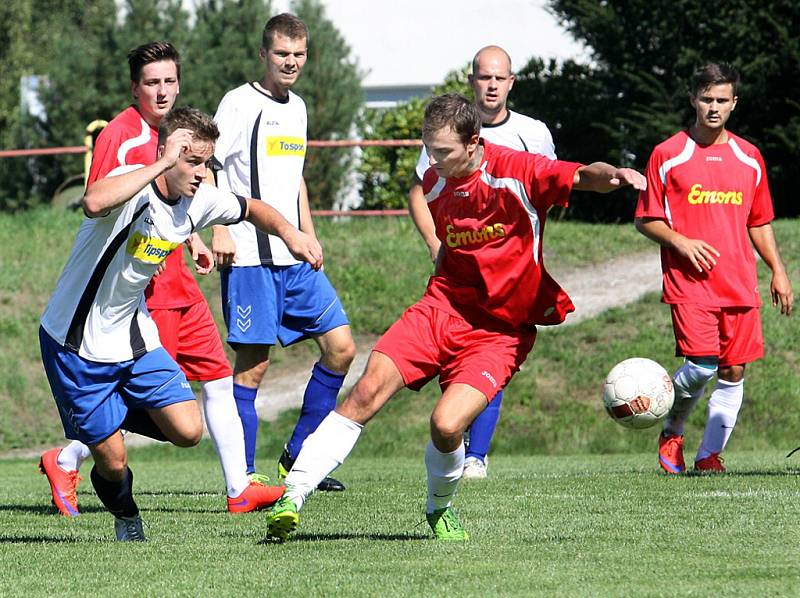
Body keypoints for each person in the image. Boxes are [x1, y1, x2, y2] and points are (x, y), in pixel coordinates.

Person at [265, 93, 646, 541]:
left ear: (473, 142)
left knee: (446, 426)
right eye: (429, 148)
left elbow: (582, 175)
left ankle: (438, 509)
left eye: (443, 151)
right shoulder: (434, 181)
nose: (433, 160)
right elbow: (442, 230)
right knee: (366, 390)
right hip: (442, 308)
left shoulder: (517, 171)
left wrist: (616, 176)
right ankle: (292, 495)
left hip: (501, 330)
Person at [40, 106, 322, 541]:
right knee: (113, 464)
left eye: (205, 162)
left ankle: (107, 417)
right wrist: (161, 161)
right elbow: (92, 201)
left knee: (189, 430)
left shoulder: (198, 200)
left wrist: (290, 233)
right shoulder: (133, 189)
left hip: (134, 338)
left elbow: (253, 208)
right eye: (191, 161)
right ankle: (127, 516)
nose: (200, 172)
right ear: (167, 154)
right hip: (75, 344)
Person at [210, 13, 354, 492]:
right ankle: (244, 479)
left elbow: (296, 179)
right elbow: (207, 165)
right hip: (250, 255)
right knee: (253, 368)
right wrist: (219, 229)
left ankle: (298, 458)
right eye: (281, 53)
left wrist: (308, 233)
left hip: (294, 257)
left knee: (341, 348)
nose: (290, 62)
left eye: (298, 54)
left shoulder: (299, 108)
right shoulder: (238, 103)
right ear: (263, 55)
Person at [635, 63, 793, 474]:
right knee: (702, 364)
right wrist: (680, 242)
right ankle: (672, 431)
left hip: (739, 282)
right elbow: (646, 218)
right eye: (707, 99)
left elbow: (759, 221)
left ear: (734, 103)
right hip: (690, 284)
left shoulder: (749, 157)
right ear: (693, 99)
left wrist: (777, 269)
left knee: (733, 369)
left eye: (722, 100)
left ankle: (709, 456)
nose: (714, 107)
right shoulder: (668, 154)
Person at [408, 45, 556, 480]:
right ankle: (457, 447)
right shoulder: (448, 130)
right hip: (457, 269)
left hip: (509, 274)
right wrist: (436, 244)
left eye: (499, 77)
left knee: (494, 351)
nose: (491, 85)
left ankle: (477, 455)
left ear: (511, 83)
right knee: (455, 355)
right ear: (472, 81)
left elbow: (545, 189)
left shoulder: (533, 133)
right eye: (483, 77)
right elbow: (421, 190)